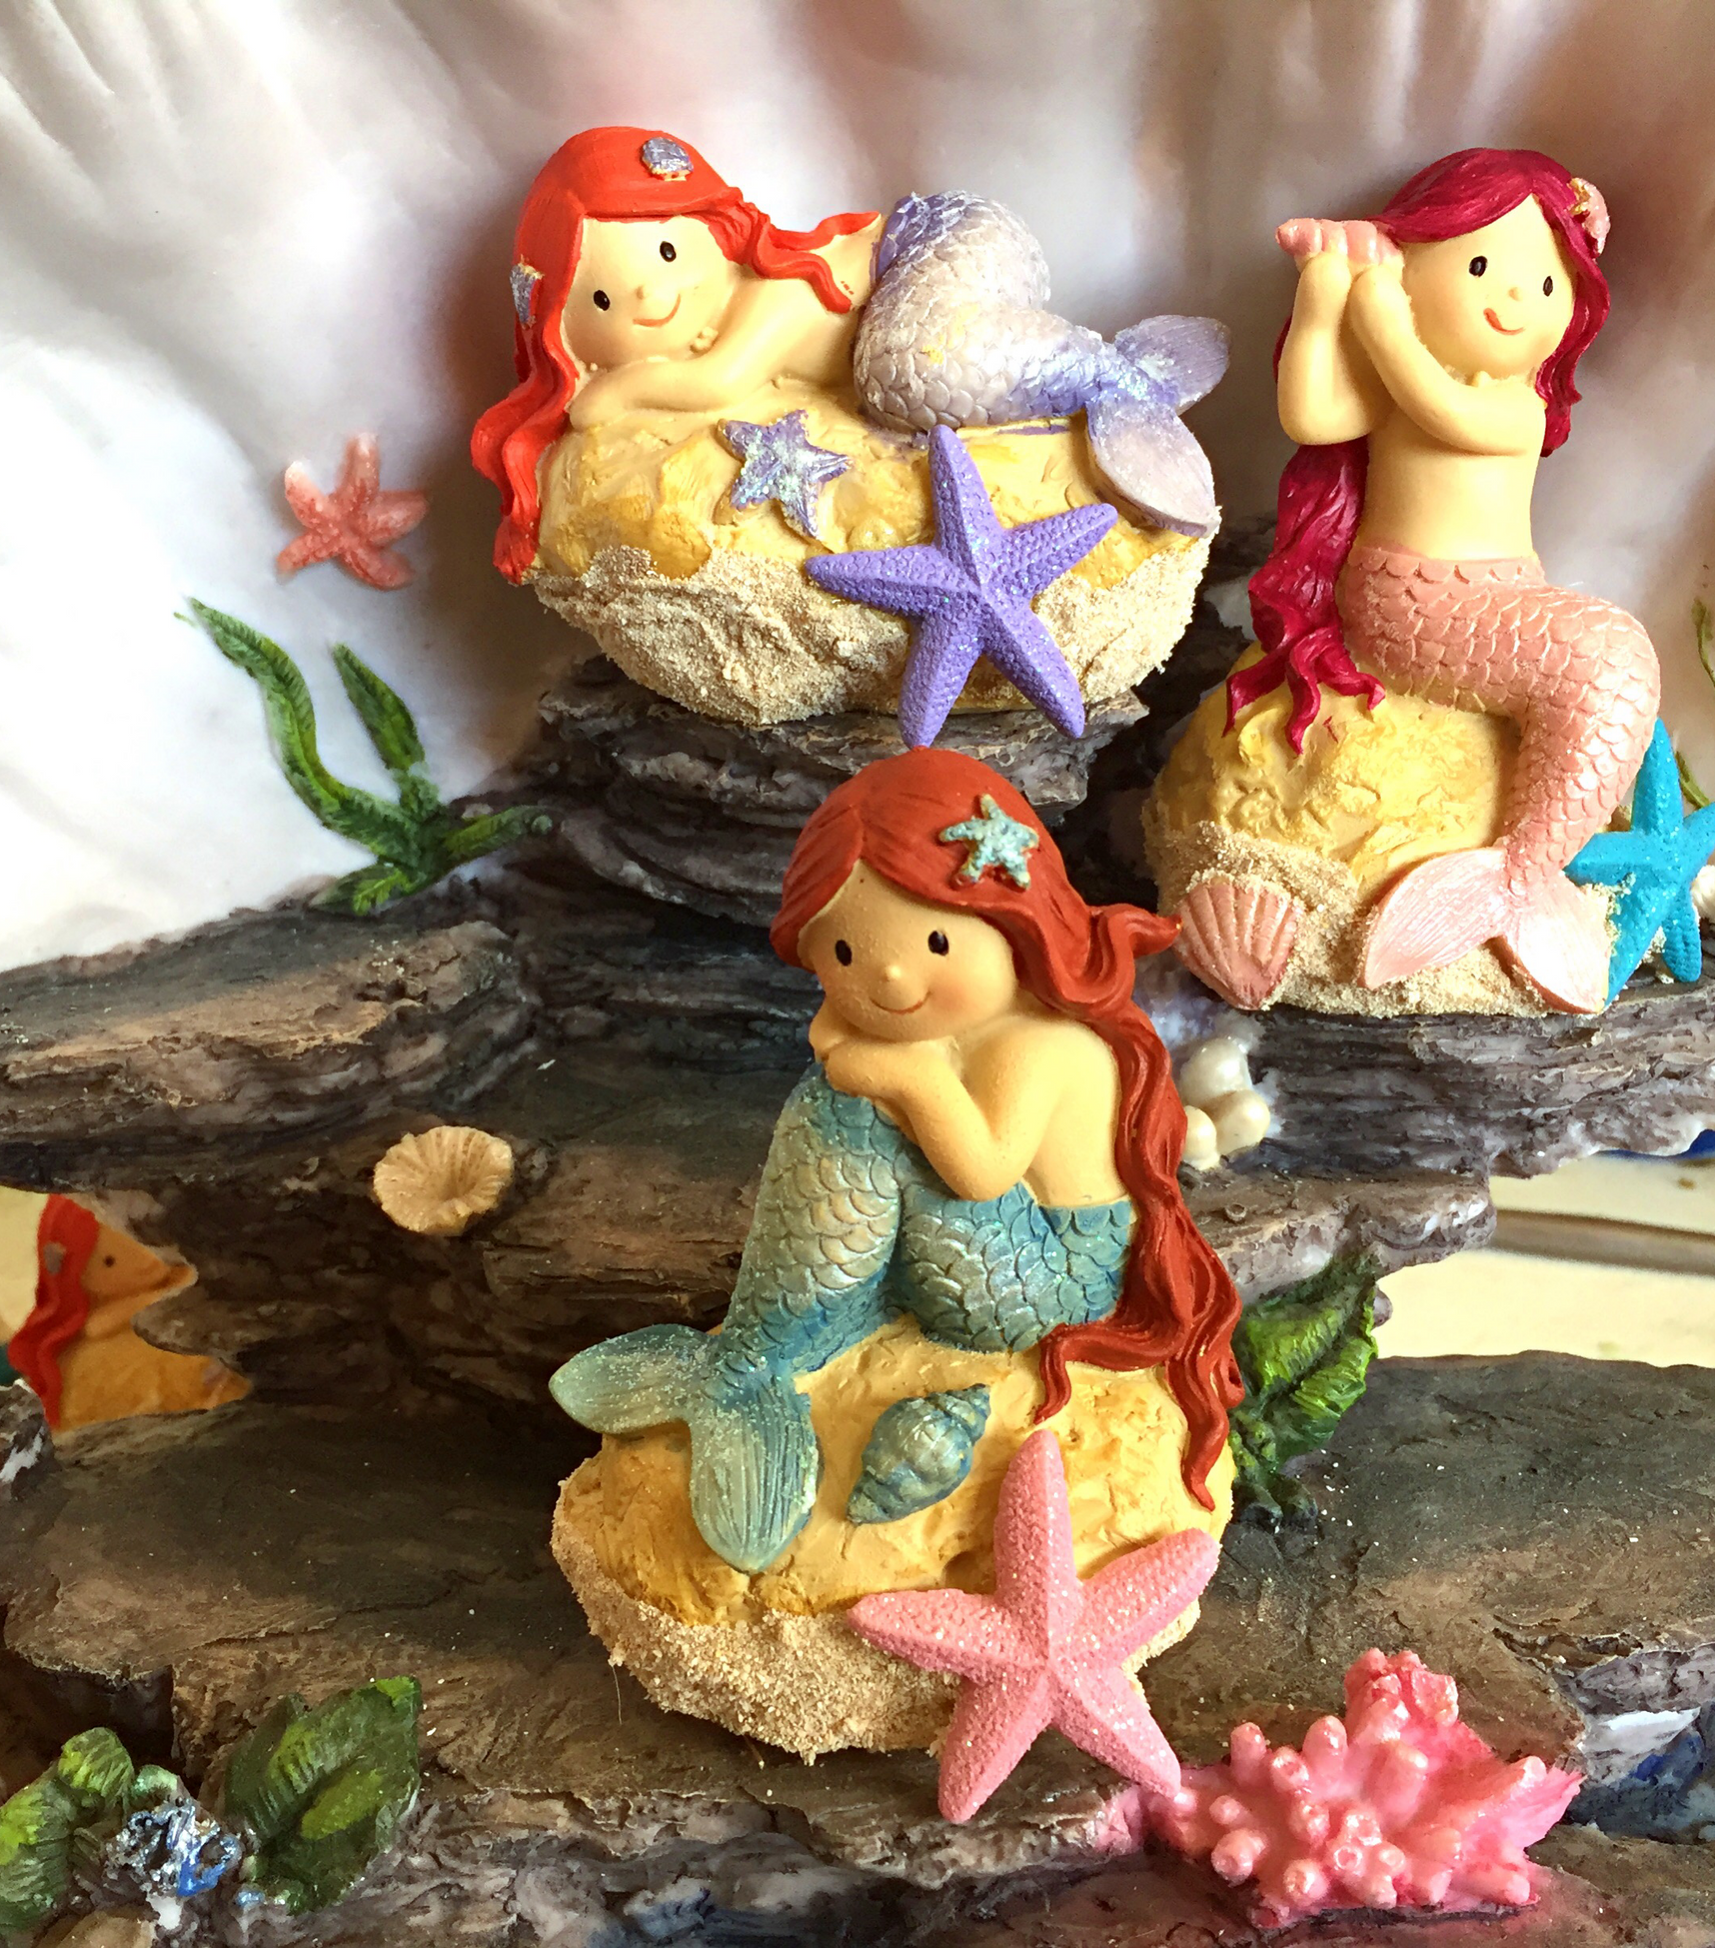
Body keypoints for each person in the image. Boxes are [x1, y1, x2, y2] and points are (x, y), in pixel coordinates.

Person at [552, 747, 1243, 1574]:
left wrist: (905, 1076)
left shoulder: (1039, 1044)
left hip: (1052, 1278)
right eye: (843, 957)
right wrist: (883, 1064)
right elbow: (842, 1037)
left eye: (938, 940)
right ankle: (767, 1352)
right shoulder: (963, 1029)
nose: (886, 975)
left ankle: (757, 1363)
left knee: (854, 1108)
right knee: (848, 1099)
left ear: (1015, 920)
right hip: (994, 1252)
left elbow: (981, 1173)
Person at [1234, 149, 1659, 1011]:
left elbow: (1444, 410)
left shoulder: (1516, 403)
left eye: (1547, 285)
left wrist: (1382, 314)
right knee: (1606, 655)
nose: (1515, 299)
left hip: (1495, 601)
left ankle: (1520, 875)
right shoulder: (1400, 383)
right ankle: (1512, 882)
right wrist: (1322, 293)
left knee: (1609, 662)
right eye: (1479, 267)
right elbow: (1312, 415)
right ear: (1413, 253)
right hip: (1411, 608)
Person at [471, 126, 878, 581]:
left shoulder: (782, 292)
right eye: (603, 300)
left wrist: (620, 388)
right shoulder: (714, 332)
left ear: (717, 230)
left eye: (668, 252)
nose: (650, 295)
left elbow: (721, 382)